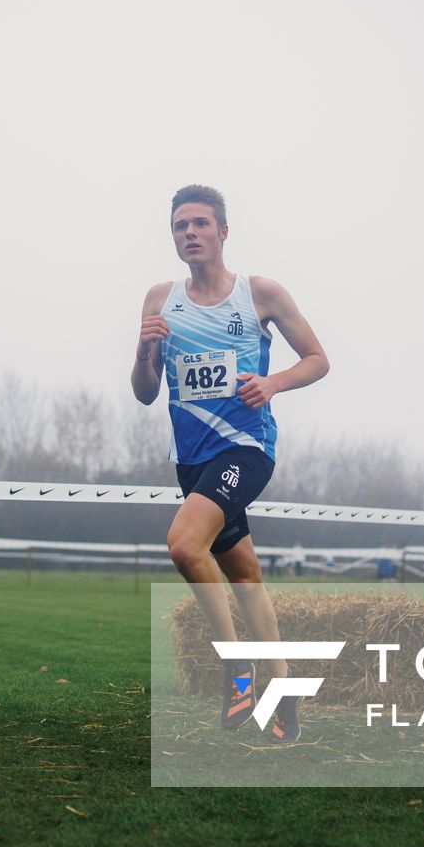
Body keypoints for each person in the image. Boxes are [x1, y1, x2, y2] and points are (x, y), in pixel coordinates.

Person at [132, 184, 329, 743]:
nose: (188, 233)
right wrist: (146, 349)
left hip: (246, 450)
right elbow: (145, 392)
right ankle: (284, 691)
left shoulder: (259, 294)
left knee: (183, 545)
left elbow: (318, 359)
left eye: (199, 223)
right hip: (191, 460)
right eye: (179, 226)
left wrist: (272, 382)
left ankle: (235, 667)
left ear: (223, 231)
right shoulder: (158, 299)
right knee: (244, 574)